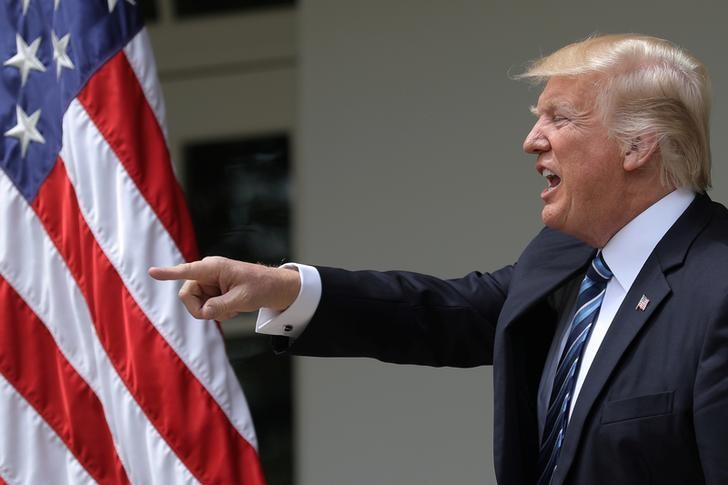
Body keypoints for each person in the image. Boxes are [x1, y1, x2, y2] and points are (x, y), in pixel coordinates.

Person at [149, 34, 728, 484]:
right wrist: (280, 289)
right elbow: (447, 313)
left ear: (638, 145)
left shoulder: (717, 283)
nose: (531, 139)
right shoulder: (570, 258)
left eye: (560, 117)